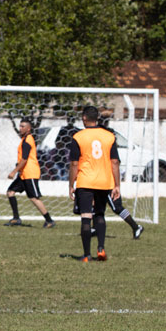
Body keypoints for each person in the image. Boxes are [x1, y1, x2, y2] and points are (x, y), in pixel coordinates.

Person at [68, 105, 119, 262]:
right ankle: (101, 248)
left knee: (85, 216)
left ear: (84, 118)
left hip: (85, 181)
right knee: (100, 214)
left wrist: (71, 185)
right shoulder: (109, 136)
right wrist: (117, 185)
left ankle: (86, 255)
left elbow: (74, 164)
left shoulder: (78, 137)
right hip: (104, 181)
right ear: (97, 118)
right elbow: (115, 162)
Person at [6, 118, 55, 228]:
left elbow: (24, 159)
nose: (20, 128)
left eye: (23, 126)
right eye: (20, 126)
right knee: (10, 192)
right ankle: (16, 218)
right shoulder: (24, 139)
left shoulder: (28, 140)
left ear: (29, 129)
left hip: (30, 173)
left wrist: (14, 172)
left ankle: (49, 220)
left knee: (34, 198)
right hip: (23, 174)